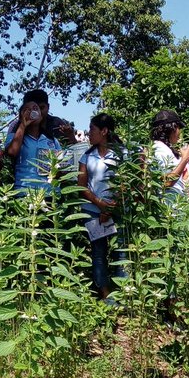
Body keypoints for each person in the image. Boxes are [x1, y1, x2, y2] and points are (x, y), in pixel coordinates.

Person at [78, 113, 124, 299]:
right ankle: (105, 294)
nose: (89, 133)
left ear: (104, 131)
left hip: (117, 210)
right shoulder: (86, 156)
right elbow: (81, 186)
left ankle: (123, 293)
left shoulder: (122, 154)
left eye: (92, 129)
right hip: (92, 212)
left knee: (121, 253)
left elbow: (126, 182)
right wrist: (100, 205)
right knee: (98, 253)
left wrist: (110, 208)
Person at [6, 97, 62, 193]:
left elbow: (60, 165)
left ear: (41, 115)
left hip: (51, 194)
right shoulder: (14, 136)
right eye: (27, 110)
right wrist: (23, 125)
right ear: (21, 116)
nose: (32, 111)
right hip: (25, 192)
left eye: (36, 108)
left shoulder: (52, 140)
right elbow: (12, 152)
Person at [4, 88, 75, 145]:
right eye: (33, 110)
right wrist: (22, 127)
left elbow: (73, 151)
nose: (38, 113)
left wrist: (70, 136)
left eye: (41, 108)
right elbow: (9, 154)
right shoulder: (16, 126)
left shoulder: (56, 123)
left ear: (48, 107)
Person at [149, 110, 189, 195]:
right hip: (167, 205)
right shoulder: (159, 148)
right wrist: (185, 159)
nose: (179, 132)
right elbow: (166, 183)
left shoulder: (164, 148)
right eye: (178, 128)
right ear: (171, 128)